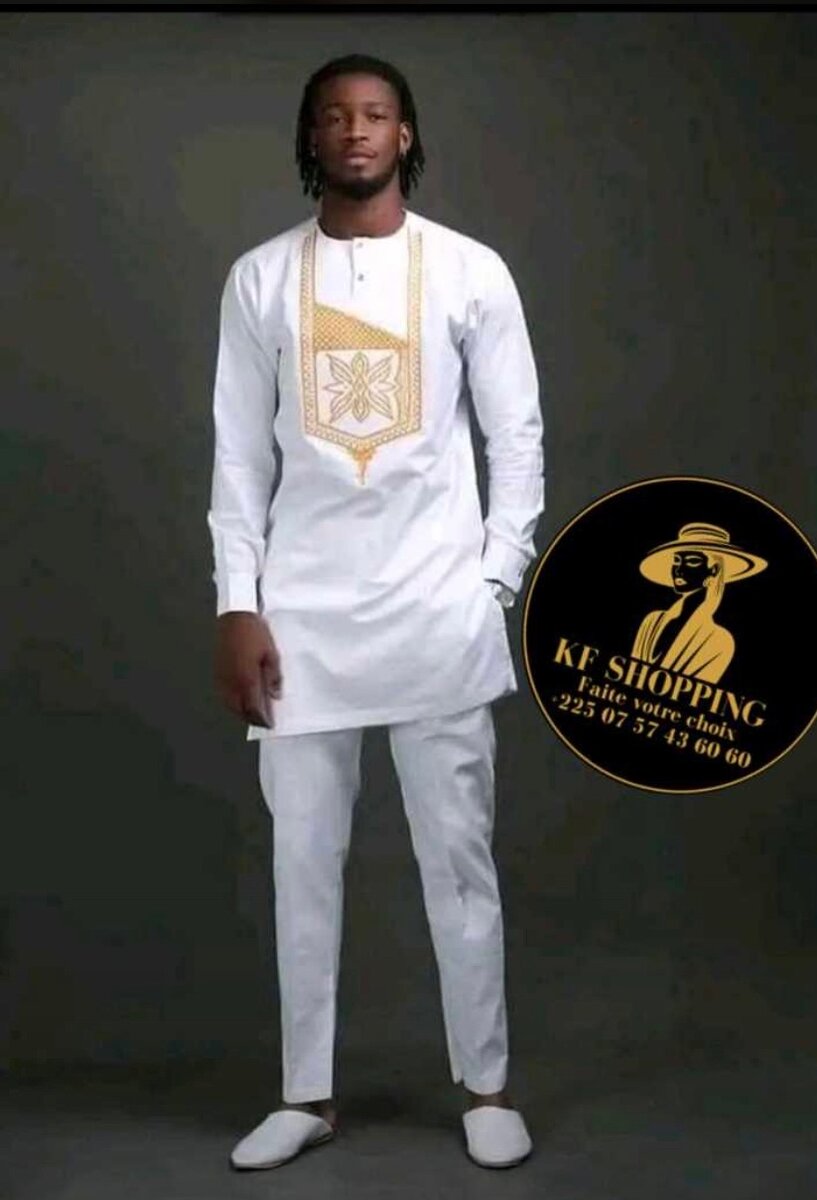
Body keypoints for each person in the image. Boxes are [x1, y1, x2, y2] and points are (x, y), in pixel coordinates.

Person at [207, 53, 544, 1171]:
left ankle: (486, 1085)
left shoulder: (469, 271)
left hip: (438, 610)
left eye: (377, 114)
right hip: (302, 619)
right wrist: (238, 603)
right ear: (312, 137)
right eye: (335, 116)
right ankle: (305, 1095)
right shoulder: (260, 279)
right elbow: (238, 459)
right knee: (302, 864)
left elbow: (516, 438)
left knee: (459, 860)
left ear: (405, 135)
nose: (356, 131)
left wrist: (493, 582)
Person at [631, 523, 767, 683]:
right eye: (676, 560)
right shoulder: (651, 621)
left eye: (692, 561)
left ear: (714, 569)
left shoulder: (719, 641)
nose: (679, 570)